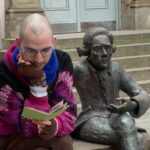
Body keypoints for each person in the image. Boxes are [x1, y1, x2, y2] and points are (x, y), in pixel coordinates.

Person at [0, 13, 77, 150]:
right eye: (31, 51)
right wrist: (37, 82)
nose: (39, 59)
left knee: (63, 142)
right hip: (9, 137)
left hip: (49, 138)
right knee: (61, 144)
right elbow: (20, 124)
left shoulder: (63, 62)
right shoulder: (4, 71)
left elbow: (69, 113)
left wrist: (55, 125)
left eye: (46, 50)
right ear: (19, 43)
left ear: (54, 42)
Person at [73, 27, 150, 150]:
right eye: (98, 49)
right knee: (135, 137)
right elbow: (59, 87)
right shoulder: (79, 70)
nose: (104, 53)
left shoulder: (116, 69)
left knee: (126, 122)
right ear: (87, 51)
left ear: (113, 49)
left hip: (116, 115)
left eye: (107, 48)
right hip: (91, 119)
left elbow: (142, 93)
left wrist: (133, 104)